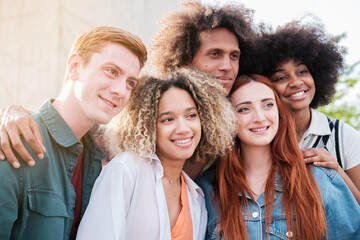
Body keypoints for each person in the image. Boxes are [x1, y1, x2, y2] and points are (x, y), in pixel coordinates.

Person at [0, 1, 256, 179]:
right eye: (215, 54)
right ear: (184, 58)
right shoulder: (140, 111)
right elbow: (78, 125)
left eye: (234, 56)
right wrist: (14, 114)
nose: (227, 66)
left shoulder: (244, 117)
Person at [0, 26, 147, 239]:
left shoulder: (99, 162)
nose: (120, 91)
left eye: (130, 83)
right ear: (75, 66)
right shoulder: (15, 142)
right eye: (111, 71)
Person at [76, 69, 237, 239]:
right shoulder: (126, 171)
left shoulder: (195, 196)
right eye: (168, 119)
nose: (183, 128)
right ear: (148, 125)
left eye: (191, 115)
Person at [197, 74, 360, 240]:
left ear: (279, 112)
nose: (260, 118)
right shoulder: (206, 190)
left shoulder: (319, 179)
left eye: (268, 105)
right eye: (244, 109)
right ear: (226, 119)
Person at [249, 21, 360, 203]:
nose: (296, 82)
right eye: (281, 77)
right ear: (265, 85)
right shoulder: (258, 135)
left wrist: (337, 171)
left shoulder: (342, 136)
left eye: (302, 72)